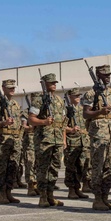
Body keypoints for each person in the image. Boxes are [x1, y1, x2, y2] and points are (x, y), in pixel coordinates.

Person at [82, 64, 111, 212]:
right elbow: (86, 114)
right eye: (105, 75)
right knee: (98, 167)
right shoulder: (90, 94)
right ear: (98, 76)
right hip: (99, 134)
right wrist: (100, 111)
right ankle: (98, 199)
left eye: (109, 75)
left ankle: (105, 197)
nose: (108, 77)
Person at [28, 74, 67, 208]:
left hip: (57, 140)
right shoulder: (38, 100)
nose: (53, 85)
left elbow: (62, 122)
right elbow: (31, 119)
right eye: (51, 82)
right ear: (44, 83)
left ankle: (50, 195)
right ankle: (43, 196)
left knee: (55, 168)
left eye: (54, 82)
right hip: (44, 139)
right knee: (43, 168)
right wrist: (44, 121)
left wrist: (63, 139)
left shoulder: (59, 100)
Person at [0, 80, 25, 204]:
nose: (12, 90)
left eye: (13, 87)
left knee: (13, 167)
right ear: (3, 88)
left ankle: (9, 192)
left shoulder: (15, 104)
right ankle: (2, 193)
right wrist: (4, 123)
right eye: (9, 88)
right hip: (2, 140)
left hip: (15, 140)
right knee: (2, 167)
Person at [63, 87, 90, 200]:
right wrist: (70, 131)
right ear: (70, 97)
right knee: (71, 167)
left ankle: (78, 188)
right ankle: (71, 190)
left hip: (83, 142)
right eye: (75, 96)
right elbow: (62, 127)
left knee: (82, 166)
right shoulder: (66, 111)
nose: (78, 98)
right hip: (72, 142)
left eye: (79, 96)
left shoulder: (82, 109)